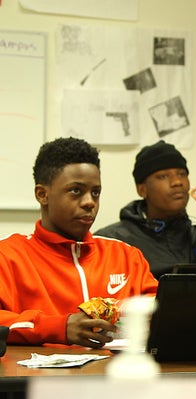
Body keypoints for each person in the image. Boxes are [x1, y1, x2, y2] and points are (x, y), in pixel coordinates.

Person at [0, 137, 158, 348]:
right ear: (42, 194)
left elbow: (165, 313)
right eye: (76, 190)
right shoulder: (8, 256)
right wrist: (58, 327)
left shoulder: (126, 256)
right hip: (39, 379)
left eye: (96, 192)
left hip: (118, 376)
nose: (89, 202)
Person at [95, 140, 196, 278]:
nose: (177, 182)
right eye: (163, 176)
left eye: (182, 174)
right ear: (142, 189)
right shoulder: (113, 241)